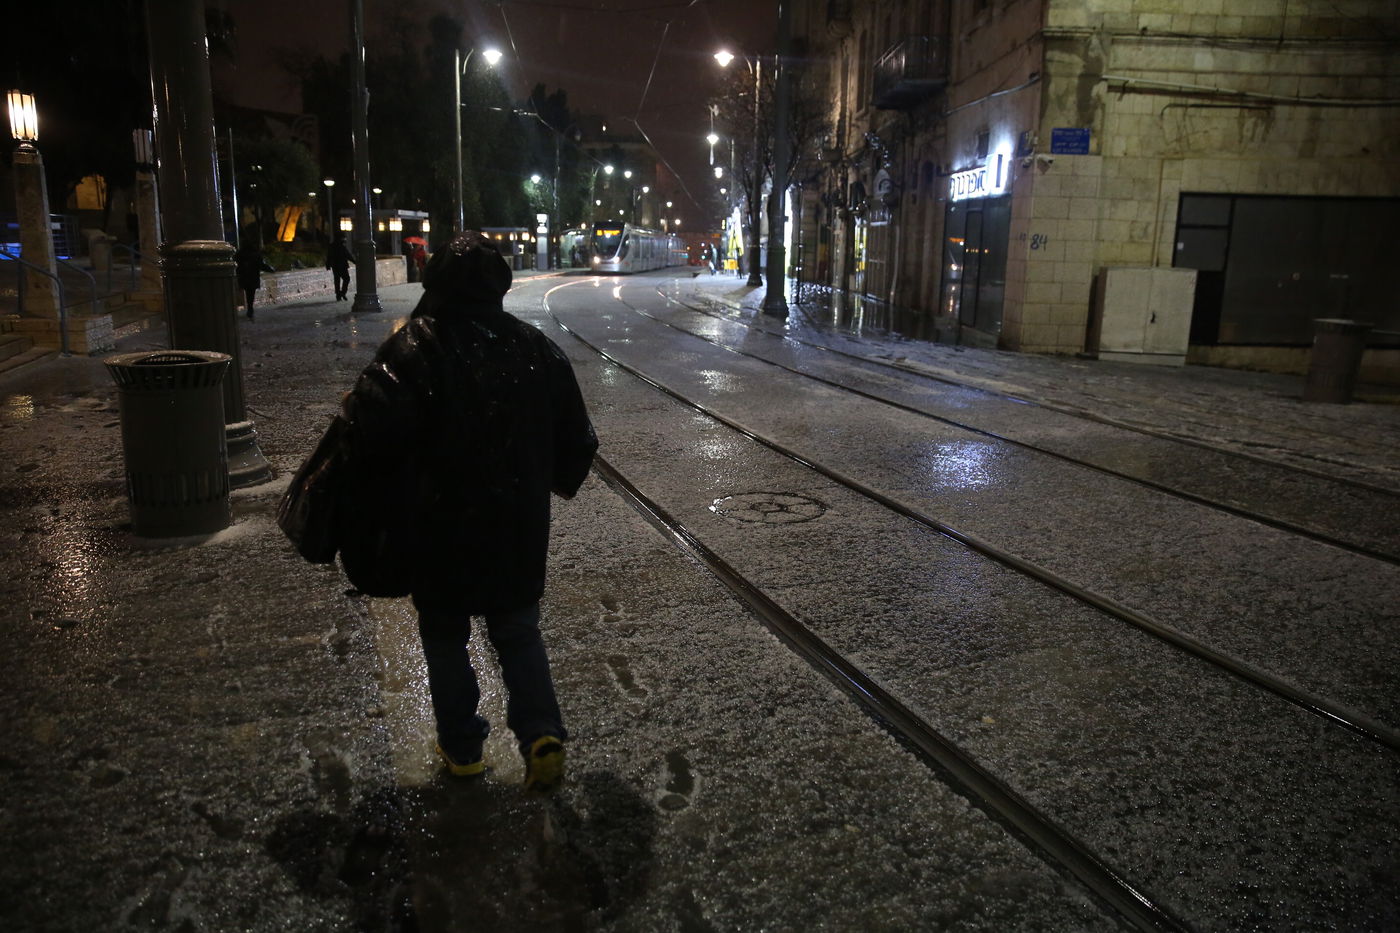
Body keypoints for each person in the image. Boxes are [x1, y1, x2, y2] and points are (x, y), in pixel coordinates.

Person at [340, 231, 597, 791]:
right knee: (518, 631)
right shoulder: (535, 348)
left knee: (444, 633)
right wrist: (548, 481)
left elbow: (371, 430)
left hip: (438, 524)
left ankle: (462, 750)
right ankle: (540, 734)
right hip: (517, 523)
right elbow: (578, 440)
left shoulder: (411, 349)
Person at [235, 241, 274, 320]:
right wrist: (271, 270)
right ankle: (250, 309)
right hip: (253, 278)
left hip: (243, 277)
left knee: (247, 292)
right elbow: (262, 265)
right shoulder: (256, 255)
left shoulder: (239, 255)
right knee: (251, 294)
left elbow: (236, 265)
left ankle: (249, 309)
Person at [326, 232, 355, 301]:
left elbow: (329, 256)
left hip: (335, 266)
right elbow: (347, 255)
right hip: (342, 266)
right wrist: (354, 261)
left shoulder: (332, 246)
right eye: (344, 238)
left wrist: (328, 265)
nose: (345, 239)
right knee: (346, 279)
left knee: (337, 280)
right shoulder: (342, 246)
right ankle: (342, 293)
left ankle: (338, 295)